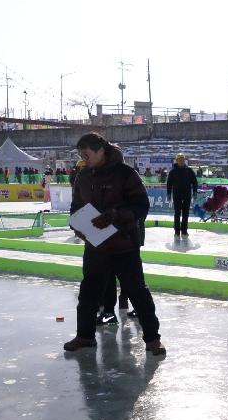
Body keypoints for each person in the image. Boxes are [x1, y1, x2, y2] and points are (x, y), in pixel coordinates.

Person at [65, 132, 164, 356]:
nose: (84, 159)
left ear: (101, 150)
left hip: (124, 245)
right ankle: (85, 336)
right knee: (89, 292)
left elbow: (141, 206)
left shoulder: (126, 174)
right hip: (95, 247)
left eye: (87, 155)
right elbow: (75, 207)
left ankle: (152, 339)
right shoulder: (82, 177)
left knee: (137, 291)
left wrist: (115, 216)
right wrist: (76, 224)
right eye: (82, 156)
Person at [166, 152, 198, 236]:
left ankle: (184, 230)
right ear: (176, 161)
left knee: (185, 213)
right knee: (177, 213)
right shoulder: (173, 172)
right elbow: (169, 183)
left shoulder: (189, 170)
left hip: (187, 195)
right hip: (177, 195)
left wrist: (195, 191)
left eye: (182, 159)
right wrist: (169, 193)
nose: (181, 161)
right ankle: (177, 230)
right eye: (179, 159)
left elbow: (194, 182)